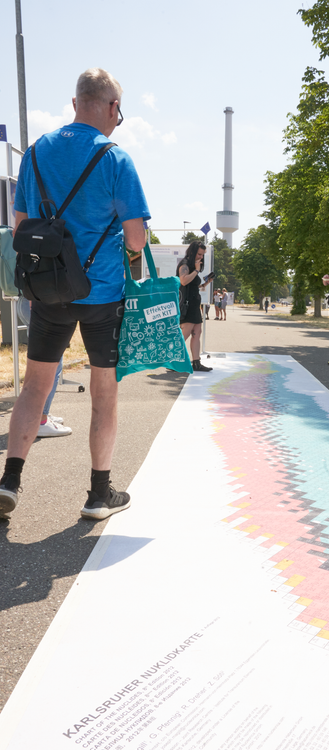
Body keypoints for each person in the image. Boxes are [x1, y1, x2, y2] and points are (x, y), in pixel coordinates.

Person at [0, 68, 149, 519]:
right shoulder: (116, 160)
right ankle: (99, 495)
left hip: (47, 291)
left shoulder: (37, 153)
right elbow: (138, 240)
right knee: (104, 392)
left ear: (74, 103)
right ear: (110, 107)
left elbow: (22, 226)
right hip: (101, 293)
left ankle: (10, 482)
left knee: (34, 390)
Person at [17, 298, 72, 438]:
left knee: (45, 363)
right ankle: (40, 420)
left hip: (28, 300)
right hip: (39, 301)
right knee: (51, 365)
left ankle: (39, 415)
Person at [178, 241, 213, 372]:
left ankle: (196, 362)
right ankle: (174, 361)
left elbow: (193, 286)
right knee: (185, 334)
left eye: (203, 255)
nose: (201, 257)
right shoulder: (185, 264)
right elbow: (183, 280)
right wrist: (197, 270)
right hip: (188, 305)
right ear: (192, 252)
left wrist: (206, 283)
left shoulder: (192, 266)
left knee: (197, 333)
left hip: (194, 304)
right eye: (199, 254)